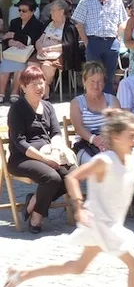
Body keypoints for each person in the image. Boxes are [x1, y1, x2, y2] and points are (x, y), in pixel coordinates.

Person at [1, 109, 134, 287]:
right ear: (116, 137)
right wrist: (79, 206)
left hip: (110, 222)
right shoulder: (104, 160)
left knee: (77, 267)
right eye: (131, 136)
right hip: (99, 221)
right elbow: (73, 177)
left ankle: (21, 275)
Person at [6, 66, 77, 233]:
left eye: (41, 83)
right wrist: (45, 159)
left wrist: (55, 151)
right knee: (52, 178)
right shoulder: (17, 108)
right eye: (34, 84)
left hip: (49, 152)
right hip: (22, 158)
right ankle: (37, 217)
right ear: (23, 87)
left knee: (73, 174)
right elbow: (19, 141)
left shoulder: (47, 106)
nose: (39, 87)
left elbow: (56, 132)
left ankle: (34, 203)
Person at [72, 0, 127, 94]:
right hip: (93, 42)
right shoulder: (86, 0)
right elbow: (78, 23)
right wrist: (87, 43)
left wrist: (118, 39)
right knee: (92, 76)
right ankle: (93, 100)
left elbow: (123, 21)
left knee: (109, 77)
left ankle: (107, 101)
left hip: (112, 43)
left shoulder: (117, 0)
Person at [69, 61, 120, 163]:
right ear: (84, 81)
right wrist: (95, 139)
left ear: (104, 83)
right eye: (92, 81)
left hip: (110, 143)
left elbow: (118, 125)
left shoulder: (112, 100)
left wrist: (106, 140)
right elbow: (78, 128)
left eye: (99, 81)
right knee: (94, 164)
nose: (96, 86)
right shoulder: (76, 103)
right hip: (86, 144)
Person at [0, 0, 44, 103]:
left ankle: (15, 92)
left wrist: (14, 36)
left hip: (28, 54)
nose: (21, 13)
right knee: (5, 65)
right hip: (13, 52)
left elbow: (31, 40)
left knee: (19, 67)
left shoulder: (38, 25)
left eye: (24, 11)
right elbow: (7, 38)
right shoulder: (14, 22)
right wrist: (12, 41)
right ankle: (1, 93)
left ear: (32, 11)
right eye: (19, 10)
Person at [30, 0, 74, 96]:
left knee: (47, 66)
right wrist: (39, 48)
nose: (51, 12)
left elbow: (67, 45)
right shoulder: (48, 23)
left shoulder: (69, 26)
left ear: (61, 11)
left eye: (53, 10)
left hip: (59, 54)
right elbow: (39, 40)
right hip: (42, 52)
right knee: (31, 64)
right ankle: (34, 91)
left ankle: (44, 91)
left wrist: (48, 49)